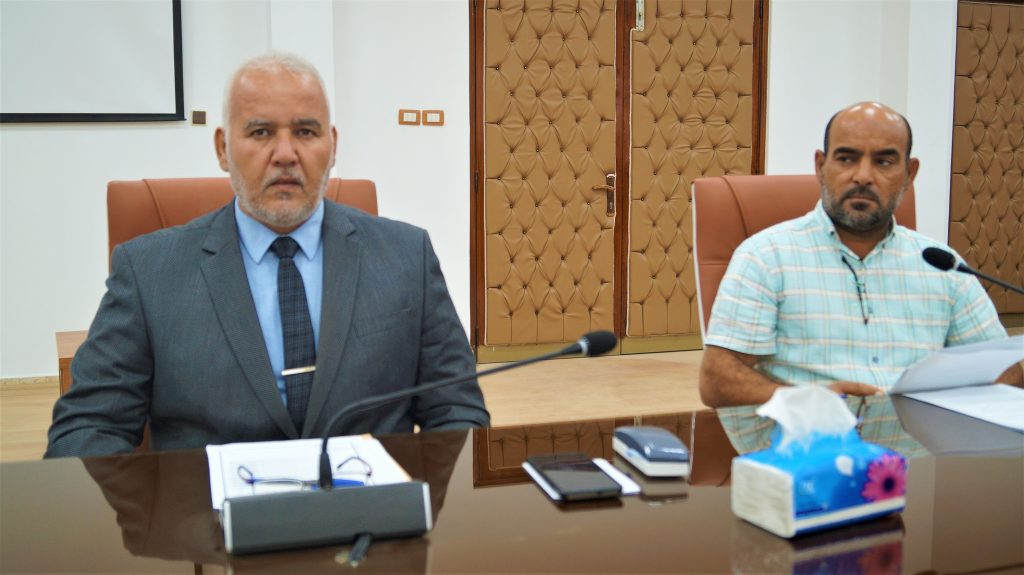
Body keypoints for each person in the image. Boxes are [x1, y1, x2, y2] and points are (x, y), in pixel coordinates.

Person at [46, 53, 489, 458]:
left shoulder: (406, 257)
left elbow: (457, 412)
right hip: (208, 517)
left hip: (371, 513)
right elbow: (88, 427)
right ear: (222, 149)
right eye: (260, 132)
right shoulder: (149, 273)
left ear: (332, 145)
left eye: (305, 132)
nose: (285, 154)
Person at [698, 101, 1021, 452]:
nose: (863, 176)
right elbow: (717, 380)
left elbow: (1003, 372)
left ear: (909, 173)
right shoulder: (766, 256)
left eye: (884, 162)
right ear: (821, 166)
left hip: (916, 465)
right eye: (846, 158)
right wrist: (807, 400)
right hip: (805, 458)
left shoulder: (942, 265)